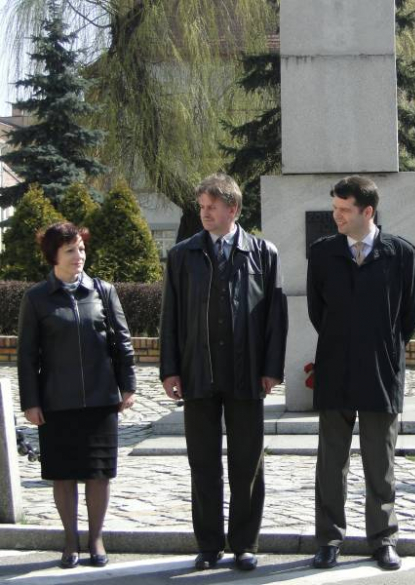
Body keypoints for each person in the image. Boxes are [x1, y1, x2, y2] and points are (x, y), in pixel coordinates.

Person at [159, 173, 288, 572]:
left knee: (247, 462)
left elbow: (275, 318)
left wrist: (271, 369)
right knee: (203, 462)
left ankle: (245, 544)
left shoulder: (263, 253)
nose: (204, 213)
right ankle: (209, 544)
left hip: (246, 374)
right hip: (198, 373)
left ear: (233, 208)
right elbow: (171, 318)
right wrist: (170, 370)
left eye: (211, 207)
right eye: (201, 207)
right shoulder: (182, 255)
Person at [307, 175, 415, 571]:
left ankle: (383, 539)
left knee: (380, 461)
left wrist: (379, 346)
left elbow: (410, 317)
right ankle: (328, 538)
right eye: (334, 209)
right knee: (331, 462)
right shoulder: (322, 253)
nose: (336, 216)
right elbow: (317, 313)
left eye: (344, 210)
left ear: (367, 211)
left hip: (381, 369)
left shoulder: (401, 255)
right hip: (335, 368)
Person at [17, 222, 136, 569]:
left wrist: (127, 386)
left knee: (99, 473)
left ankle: (95, 539)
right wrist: (31, 402)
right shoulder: (36, 298)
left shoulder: (103, 291)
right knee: (64, 474)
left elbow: (122, 343)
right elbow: (26, 355)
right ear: (54, 255)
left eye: (81, 249)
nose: (78, 256)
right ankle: (70, 541)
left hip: (101, 400)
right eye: (70, 250)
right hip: (57, 402)